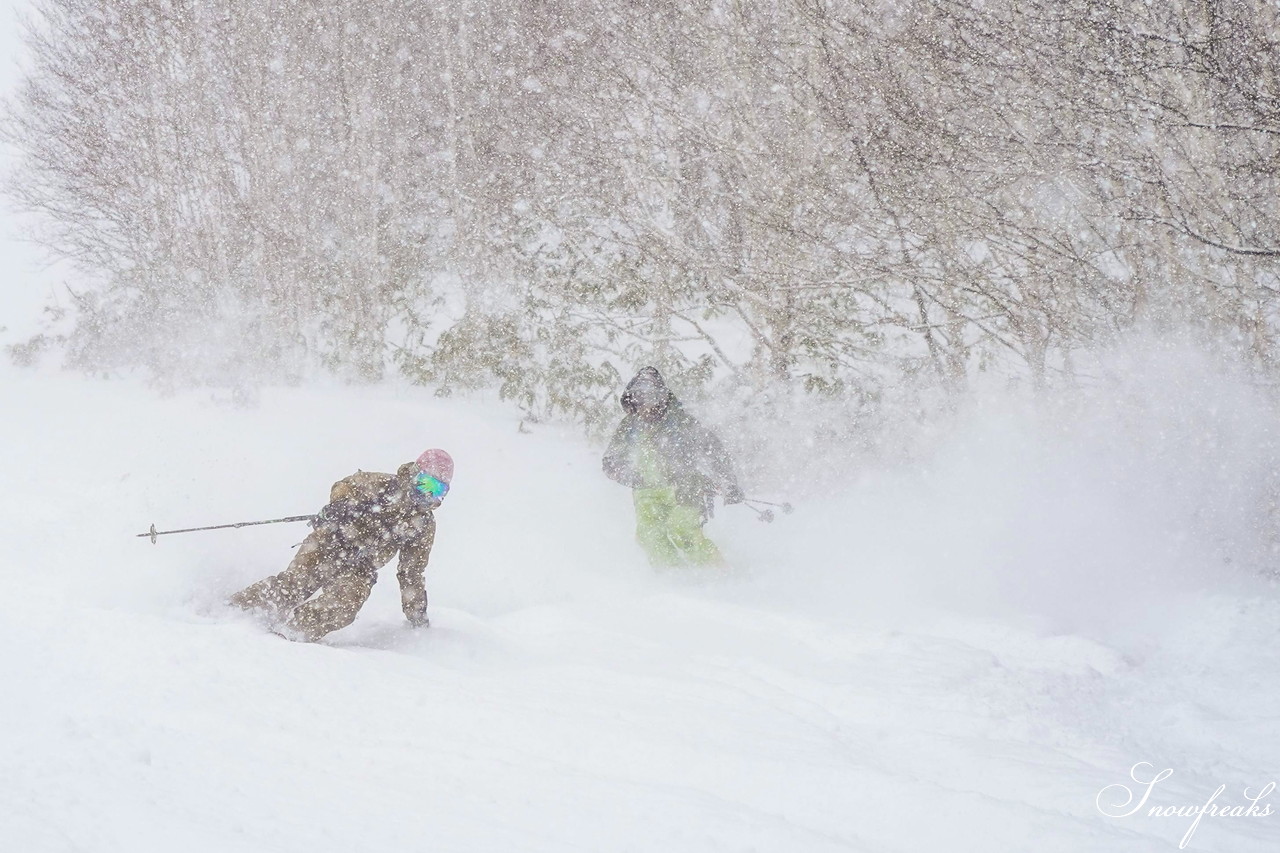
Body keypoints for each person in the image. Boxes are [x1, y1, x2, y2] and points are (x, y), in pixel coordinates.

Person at [229, 449, 453, 641]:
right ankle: (233, 610)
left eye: (439, 491)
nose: (429, 495)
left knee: (344, 607)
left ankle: (291, 632)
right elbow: (345, 485)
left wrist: (417, 615)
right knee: (294, 586)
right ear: (414, 475)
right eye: (426, 484)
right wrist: (342, 505)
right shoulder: (383, 485)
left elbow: (411, 572)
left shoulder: (422, 525)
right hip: (330, 543)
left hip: (361, 566)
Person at [603, 367, 743, 567]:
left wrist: (729, 483)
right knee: (650, 537)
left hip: (685, 489)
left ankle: (717, 573)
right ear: (632, 400)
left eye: (651, 397)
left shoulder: (681, 422)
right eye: (640, 398)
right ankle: (674, 579)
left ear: (662, 397)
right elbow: (611, 460)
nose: (646, 405)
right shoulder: (629, 426)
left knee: (682, 530)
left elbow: (714, 451)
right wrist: (629, 476)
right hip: (646, 493)